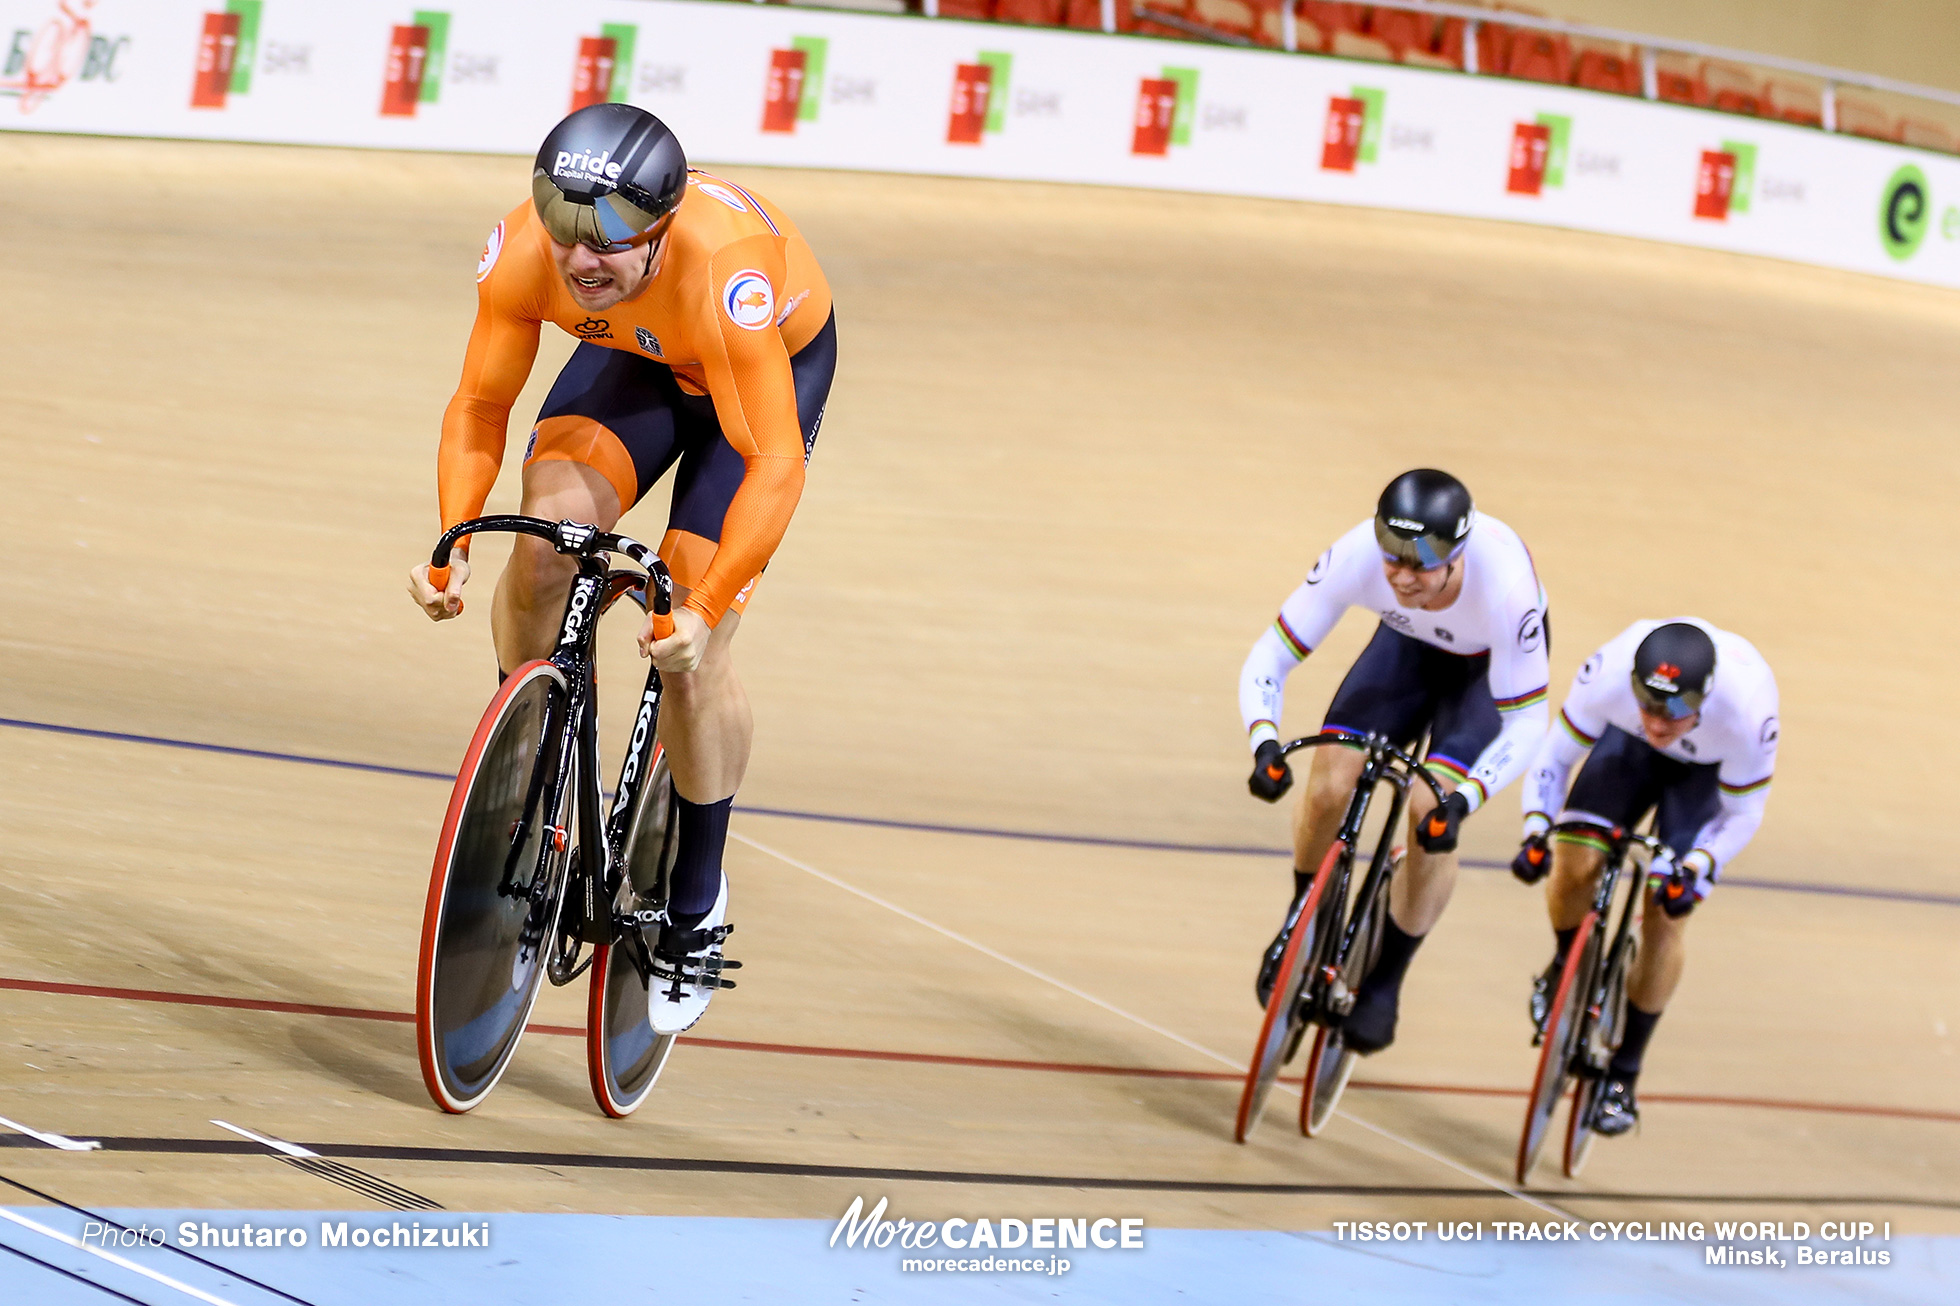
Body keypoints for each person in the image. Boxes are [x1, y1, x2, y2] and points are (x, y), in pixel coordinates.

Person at [404, 103, 836, 1033]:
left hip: (754, 385)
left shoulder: (725, 274)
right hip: (636, 360)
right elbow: (479, 408)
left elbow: (774, 464)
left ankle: (695, 895)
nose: (578, 256)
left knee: (690, 639)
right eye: (563, 224)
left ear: (663, 227)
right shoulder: (529, 253)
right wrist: (454, 540)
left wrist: (707, 605)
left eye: (606, 235)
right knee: (544, 544)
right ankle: (531, 751)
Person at [1239, 470, 1550, 1053]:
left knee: (1429, 811)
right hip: (1406, 649)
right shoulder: (1357, 554)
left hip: (1482, 675)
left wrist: (1465, 799)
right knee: (1330, 781)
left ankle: (1386, 981)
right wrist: (1264, 741)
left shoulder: (1507, 591)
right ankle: (1302, 919)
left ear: (1458, 553)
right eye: (1394, 561)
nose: (1404, 578)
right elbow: (1270, 656)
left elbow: (1530, 719)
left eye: (1424, 564)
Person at [1513, 619, 1777, 1135]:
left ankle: (1625, 1071)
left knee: (1665, 910)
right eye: (1649, 703)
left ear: (1703, 697)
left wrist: (1698, 870)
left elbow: (1742, 813)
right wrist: (1536, 829)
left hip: (1703, 776)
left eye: (1676, 711)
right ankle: (1566, 964)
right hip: (1625, 752)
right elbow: (1553, 758)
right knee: (1574, 857)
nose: (1659, 722)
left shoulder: (1746, 712)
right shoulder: (1609, 675)